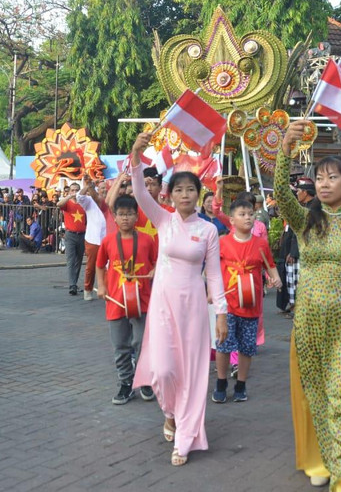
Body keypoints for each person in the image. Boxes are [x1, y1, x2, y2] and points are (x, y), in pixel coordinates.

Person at [276, 121, 341, 490]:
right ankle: (320, 459)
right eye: (318, 178)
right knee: (314, 395)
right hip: (307, 323)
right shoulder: (306, 221)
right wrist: (285, 150)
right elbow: (279, 192)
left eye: (332, 178)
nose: (323, 184)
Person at [128, 131, 228, 467]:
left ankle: (185, 437)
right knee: (163, 370)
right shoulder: (163, 220)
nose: (185, 194)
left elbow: (214, 275)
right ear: (170, 195)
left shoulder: (209, 230)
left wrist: (221, 313)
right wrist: (135, 155)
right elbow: (140, 192)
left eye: (191, 189)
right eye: (179, 189)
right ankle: (170, 413)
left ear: (199, 195)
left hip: (195, 310)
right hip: (162, 307)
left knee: (193, 374)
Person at [212, 199, 281, 403]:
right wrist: (210, 290)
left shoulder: (261, 244)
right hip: (228, 304)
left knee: (247, 347)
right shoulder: (223, 242)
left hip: (251, 304)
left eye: (250, 214)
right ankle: (221, 382)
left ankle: (241, 384)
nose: (248, 217)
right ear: (232, 220)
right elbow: (213, 270)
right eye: (242, 214)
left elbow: (270, 266)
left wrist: (275, 278)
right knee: (224, 344)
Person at [96, 195, 158, 404]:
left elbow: (157, 262)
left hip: (142, 300)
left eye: (129, 214)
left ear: (136, 216)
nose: (125, 218)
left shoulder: (148, 240)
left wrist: (154, 271)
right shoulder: (108, 241)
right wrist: (102, 286)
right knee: (120, 345)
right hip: (116, 300)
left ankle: (146, 381)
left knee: (142, 343)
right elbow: (99, 265)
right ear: (114, 217)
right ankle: (126, 383)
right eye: (121, 215)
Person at [77, 175, 107, 300]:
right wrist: (87, 187)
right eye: (102, 188)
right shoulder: (90, 200)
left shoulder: (112, 201)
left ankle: (107, 291)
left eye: (106, 188)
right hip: (93, 239)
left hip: (108, 239)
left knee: (108, 266)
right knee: (91, 267)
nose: (104, 190)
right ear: (97, 189)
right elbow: (80, 197)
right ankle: (88, 289)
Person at [57, 183, 87, 296]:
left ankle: (74, 282)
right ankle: (72, 284)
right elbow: (58, 204)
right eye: (73, 190)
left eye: (77, 190)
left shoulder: (84, 203)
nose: (75, 192)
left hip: (82, 235)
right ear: (70, 191)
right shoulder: (68, 203)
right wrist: (69, 196)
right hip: (70, 235)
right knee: (71, 260)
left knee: (78, 261)